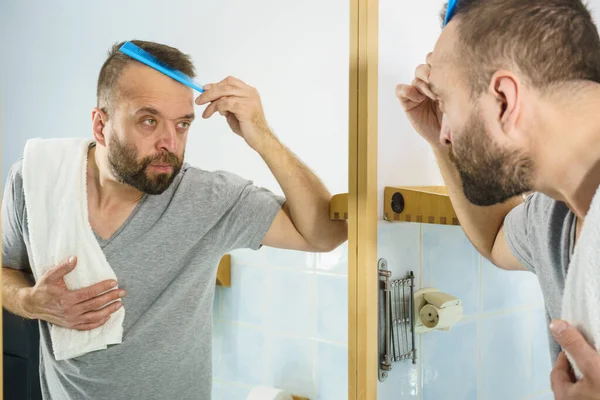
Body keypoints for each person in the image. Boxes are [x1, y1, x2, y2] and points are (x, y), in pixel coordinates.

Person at [1, 40, 347, 399]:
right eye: (149, 121)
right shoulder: (35, 183)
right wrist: (29, 301)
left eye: (182, 124)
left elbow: (325, 235)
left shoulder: (207, 200)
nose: (170, 142)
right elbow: (4, 268)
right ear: (101, 125)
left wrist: (261, 135)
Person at [396, 1, 600, 398]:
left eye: (447, 103)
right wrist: (443, 141)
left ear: (504, 100)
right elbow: (494, 237)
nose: (446, 134)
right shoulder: (555, 217)